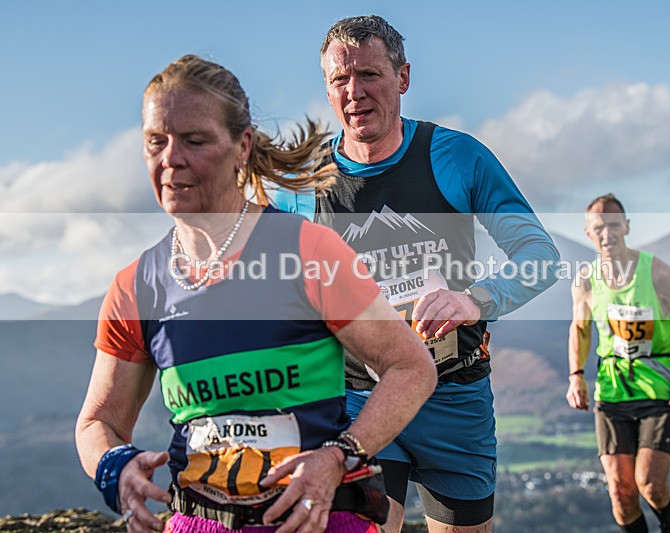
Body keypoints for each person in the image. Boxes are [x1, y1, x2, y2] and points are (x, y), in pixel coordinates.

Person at [75, 54, 437, 533]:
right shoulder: (136, 285)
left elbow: (410, 367)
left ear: (242, 146)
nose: (171, 159)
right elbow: (98, 422)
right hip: (198, 522)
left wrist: (339, 457)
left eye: (194, 140)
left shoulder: (306, 251)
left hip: (320, 522)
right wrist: (115, 467)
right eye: (155, 142)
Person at [275, 15, 560, 533]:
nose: (354, 93)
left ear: (403, 77)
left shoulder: (457, 157)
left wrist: (476, 298)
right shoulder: (303, 184)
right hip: (360, 398)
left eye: (370, 75)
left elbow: (540, 255)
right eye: (340, 80)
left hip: (454, 394)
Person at [566, 194, 670, 532]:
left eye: (615, 225)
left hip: (659, 389)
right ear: (588, 233)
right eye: (599, 228)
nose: (608, 234)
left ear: (627, 226)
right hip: (612, 392)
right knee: (621, 492)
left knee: (649, 484)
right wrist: (576, 375)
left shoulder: (656, 272)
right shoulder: (586, 280)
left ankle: (669, 527)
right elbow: (580, 327)